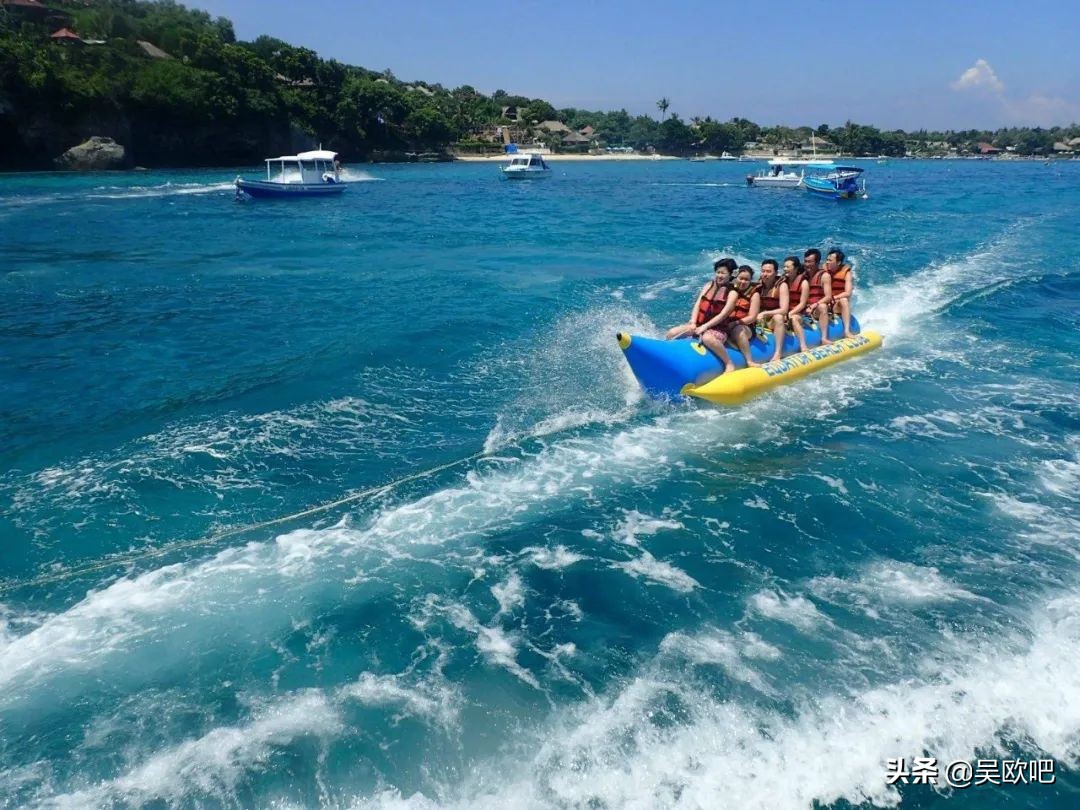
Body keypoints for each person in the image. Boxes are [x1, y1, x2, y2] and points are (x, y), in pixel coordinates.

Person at [666, 258, 738, 372]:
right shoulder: (709, 285)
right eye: (718, 272)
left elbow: (723, 314)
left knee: (707, 338)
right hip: (698, 325)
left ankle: (729, 363)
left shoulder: (732, 293)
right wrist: (693, 321)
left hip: (718, 329)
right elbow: (698, 304)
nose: (719, 275)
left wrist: (705, 326)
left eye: (723, 273)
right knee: (671, 333)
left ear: (730, 275)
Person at [726, 265, 762, 367]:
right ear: (736, 278)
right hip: (727, 324)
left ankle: (749, 360)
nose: (743, 282)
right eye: (741, 278)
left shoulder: (754, 294)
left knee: (738, 330)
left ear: (750, 281)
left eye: (746, 280)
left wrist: (735, 323)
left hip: (746, 326)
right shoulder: (729, 290)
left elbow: (752, 317)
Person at [754, 259, 789, 362]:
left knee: (778, 317)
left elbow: (784, 309)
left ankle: (778, 353)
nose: (765, 274)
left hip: (772, 320)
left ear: (776, 273)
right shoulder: (758, 285)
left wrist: (765, 313)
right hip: (759, 320)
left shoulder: (782, 286)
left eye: (769, 271)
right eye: (763, 271)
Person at [803, 248, 832, 344]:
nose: (807, 264)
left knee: (823, 306)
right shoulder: (802, 275)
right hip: (803, 308)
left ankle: (824, 338)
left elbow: (828, 297)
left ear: (817, 262)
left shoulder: (824, 276)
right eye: (805, 261)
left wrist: (814, 305)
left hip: (816, 309)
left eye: (810, 262)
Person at [825, 248, 856, 338]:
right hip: (825, 303)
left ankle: (846, 331)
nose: (827, 262)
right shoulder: (823, 271)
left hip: (837, 304)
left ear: (838, 262)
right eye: (827, 260)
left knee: (844, 300)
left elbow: (848, 293)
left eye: (830, 260)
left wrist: (834, 298)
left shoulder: (847, 273)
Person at [782, 256, 810, 352]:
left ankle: (803, 345)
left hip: (799, 313)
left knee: (794, 319)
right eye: (784, 267)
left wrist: (790, 313)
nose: (785, 269)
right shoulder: (782, 282)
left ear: (796, 268)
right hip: (785, 311)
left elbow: (802, 304)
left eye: (788, 267)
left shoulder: (804, 283)